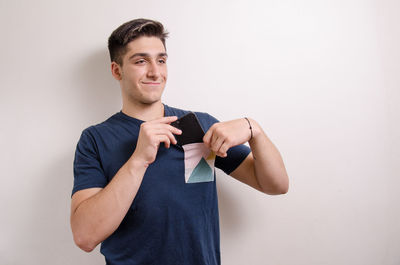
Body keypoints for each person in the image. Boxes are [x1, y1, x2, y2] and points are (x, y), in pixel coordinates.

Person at [70, 18, 289, 265]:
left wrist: (254, 130)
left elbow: (276, 184)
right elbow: (85, 236)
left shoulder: (200, 125)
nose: (155, 71)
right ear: (116, 70)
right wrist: (139, 159)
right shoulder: (95, 139)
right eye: (141, 61)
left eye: (161, 60)